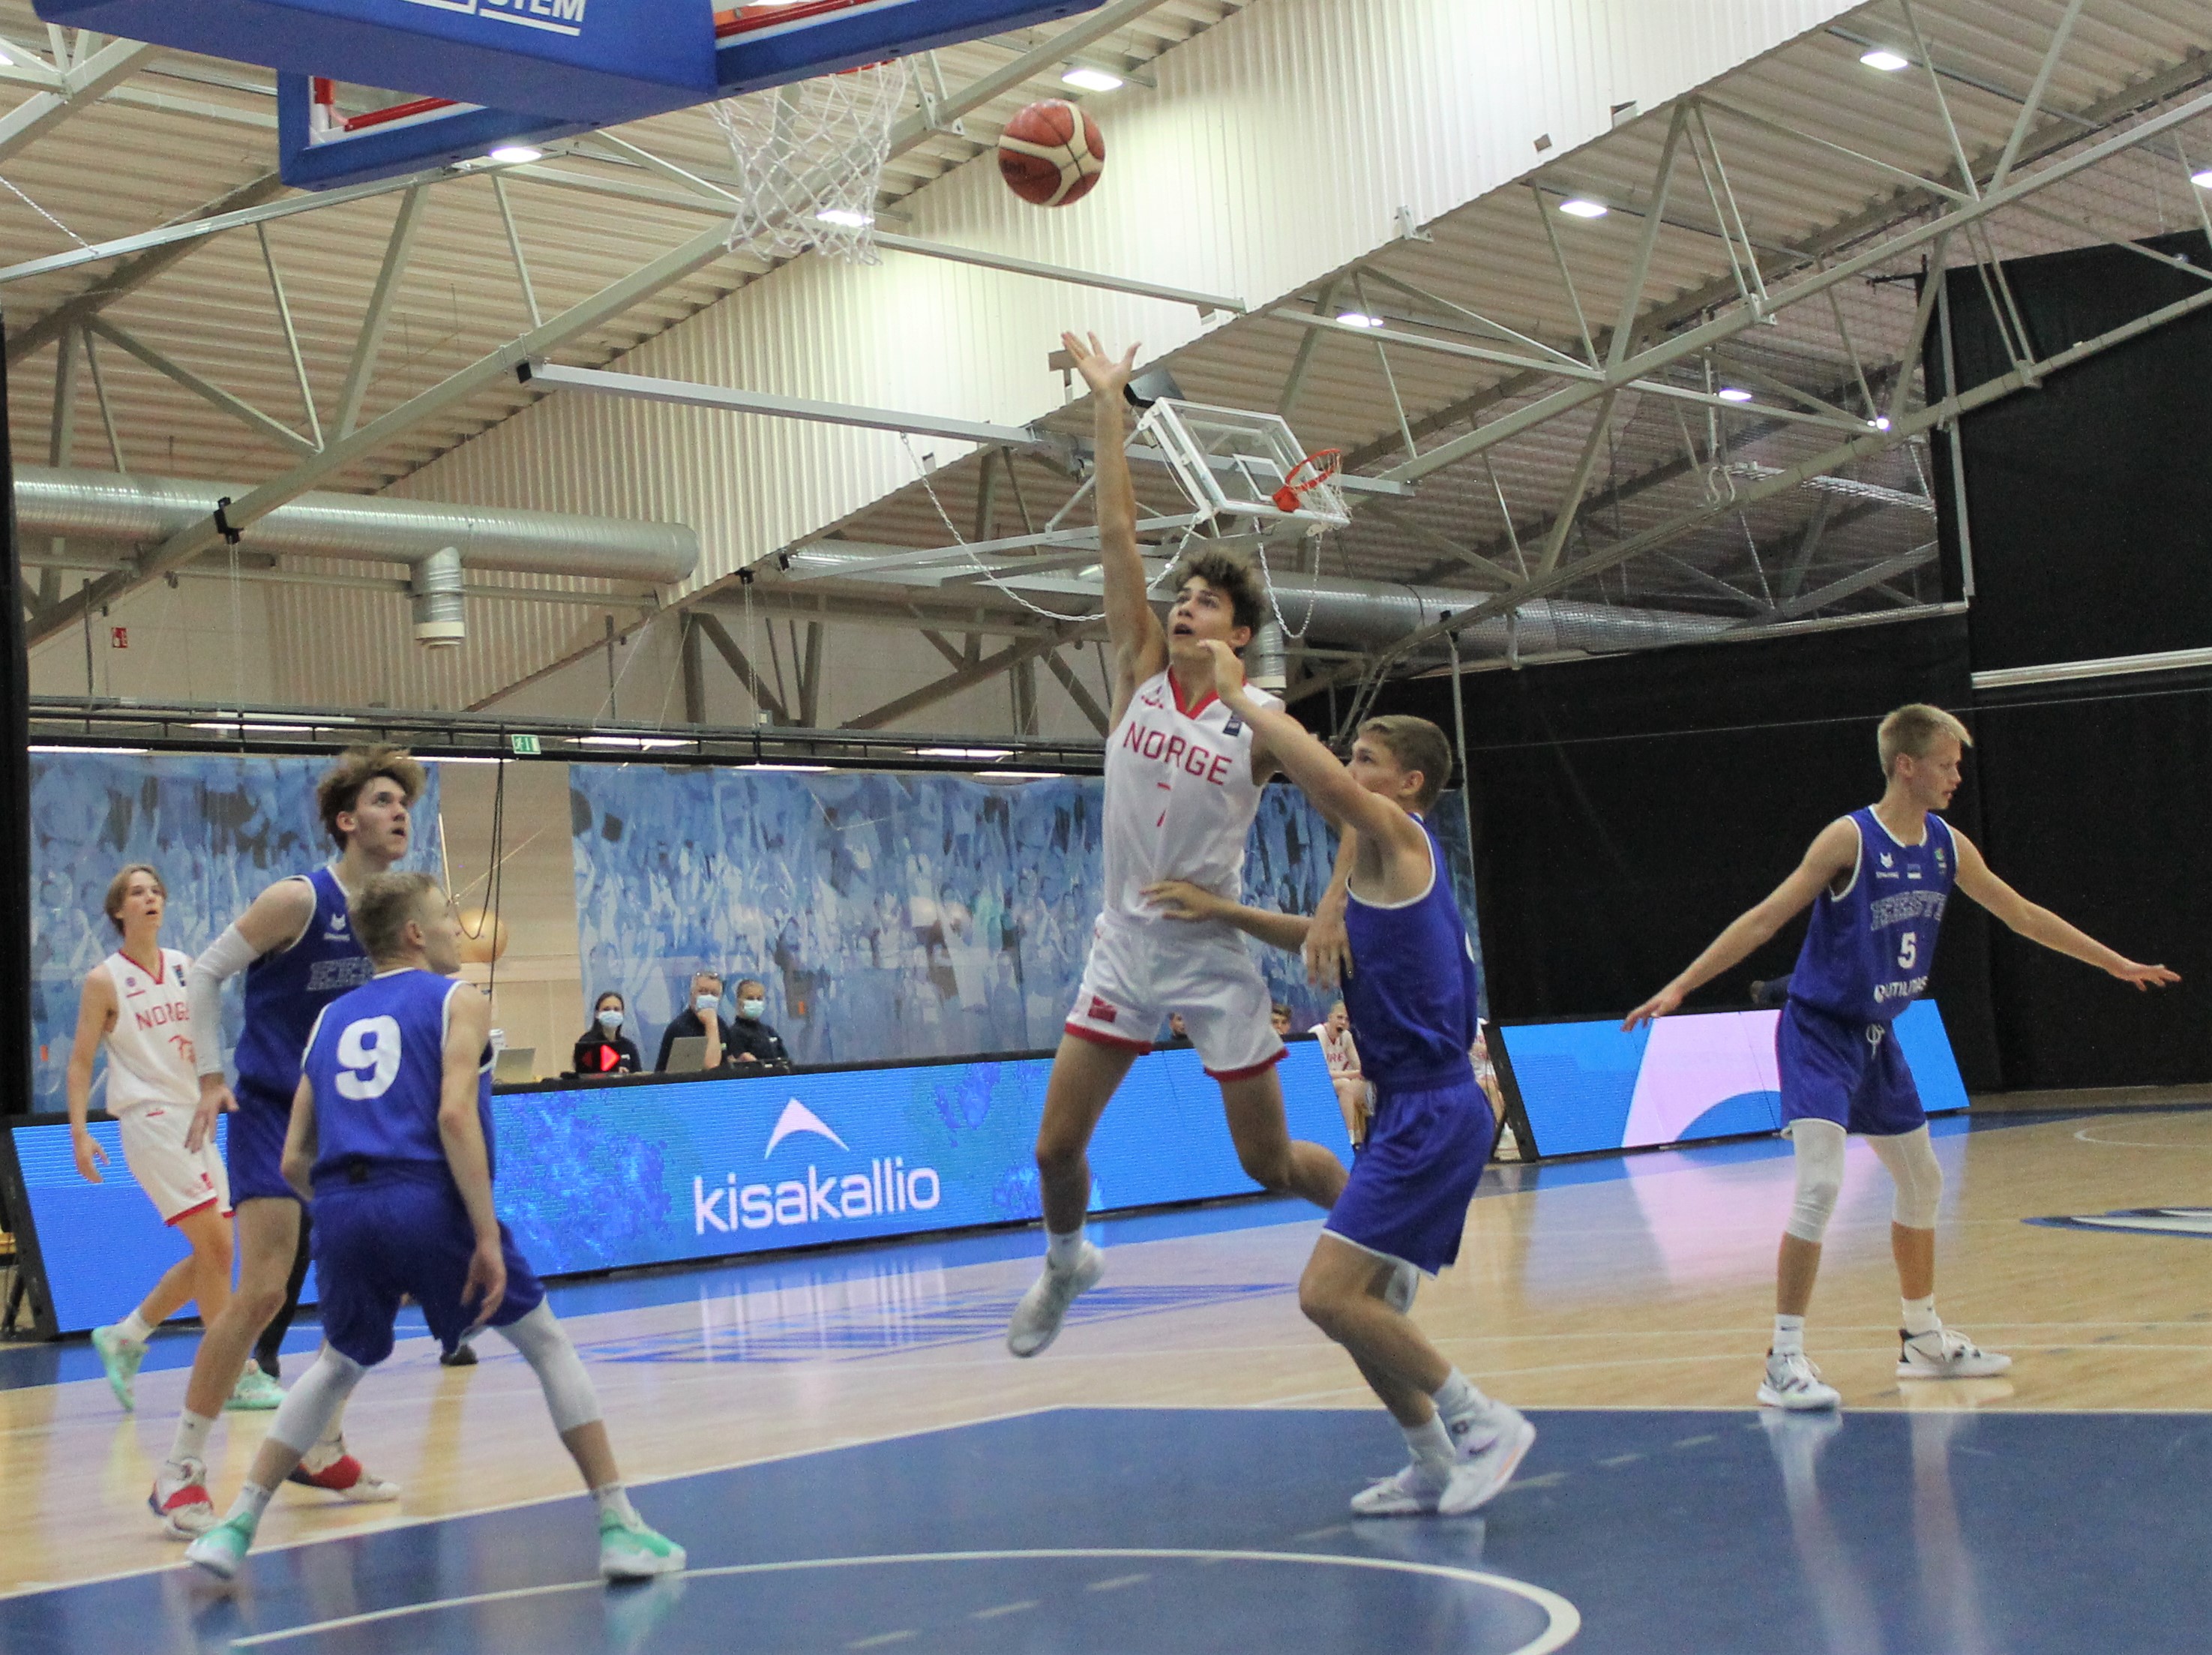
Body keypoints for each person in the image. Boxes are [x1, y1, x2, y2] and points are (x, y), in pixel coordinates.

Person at [1625, 703, 2180, 1411]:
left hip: (1879, 1039)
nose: (1956, 775)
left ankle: (1922, 1337)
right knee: (1821, 1186)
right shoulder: (1849, 838)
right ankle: (1783, 1358)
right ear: (1907, 764)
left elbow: (2023, 914)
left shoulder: (1948, 845)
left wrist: (2113, 963)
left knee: (1922, 1181)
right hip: (1819, 1032)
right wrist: (1679, 986)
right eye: (1947, 762)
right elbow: (1765, 917)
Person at [184, 872, 683, 1583]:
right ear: (414, 933)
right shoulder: (458, 999)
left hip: (342, 1207)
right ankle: (620, 1523)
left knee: (335, 1364)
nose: (459, 929)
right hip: (426, 1193)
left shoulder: (330, 1019)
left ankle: (234, 1527)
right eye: (446, 918)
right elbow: (454, 1116)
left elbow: (295, 1156)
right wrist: (482, 1234)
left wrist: (356, 1226)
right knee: (546, 1344)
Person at [1004, 332, 1347, 1360]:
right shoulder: (1139, 678)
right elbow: (1115, 533)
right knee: (1055, 1144)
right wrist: (1110, 405)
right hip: (1124, 943)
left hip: (1207, 955)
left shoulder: (1259, 719)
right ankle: (1069, 1259)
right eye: (1180, 594)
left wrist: (1330, 907)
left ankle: (1381, 1234)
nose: (1180, 603)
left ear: (1237, 633)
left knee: (1271, 1163)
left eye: (1203, 600)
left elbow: (1355, 807)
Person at [1150, 661, 1533, 1517]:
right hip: (1411, 1110)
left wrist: (1238, 698)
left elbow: (1316, 779)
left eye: (1365, 758)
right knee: (1351, 1303)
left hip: (1434, 1109)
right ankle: (1431, 1456)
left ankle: (1483, 1422)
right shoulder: (1380, 880)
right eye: (1351, 756)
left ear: (1409, 783)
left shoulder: (1402, 839)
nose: (1349, 768)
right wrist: (1219, 910)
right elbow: (1320, 938)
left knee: (1325, 1293)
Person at [151, 748, 419, 1538]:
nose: (399, 811)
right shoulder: (300, 899)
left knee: (375, 1284)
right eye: (382, 800)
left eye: (404, 801)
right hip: (273, 1108)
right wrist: (207, 1075)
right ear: (346, 820)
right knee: (265, 1289)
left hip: (351, 1117)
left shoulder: (398, 915)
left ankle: (321, 1442)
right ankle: (179, 1470)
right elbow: (203, 973)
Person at [65, 865, 266, 1415]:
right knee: (219, 1246)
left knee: (213, 1252)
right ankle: (235, 1375)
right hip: (149, 1117)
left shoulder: (184, 966)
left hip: (194, 1114)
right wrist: (80, 1131)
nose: (150, 897)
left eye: (156, 890)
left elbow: (205, 1039)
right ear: (118, 911)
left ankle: (126, 1335)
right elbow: (81, 1061)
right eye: (137, 891)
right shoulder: (103, 979)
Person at [654, 971, 737, 1072]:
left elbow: (730, 1059)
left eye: (714, 994)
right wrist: (711, 1023)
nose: (709, 997)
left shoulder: (721, 1025)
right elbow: (710, 1066)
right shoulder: (681, 1027)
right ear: (692, 993)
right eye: (703, 992)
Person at [1315, 1000, 1369, 1150]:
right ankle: (1349, 1137)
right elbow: (1321, 1074)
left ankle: (1364, 1136)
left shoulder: (1346, 1036)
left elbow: (1360, 1068)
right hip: (1317, 1083)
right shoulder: (1318, 1033)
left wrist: (1361, 1074)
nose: (1343, 1022)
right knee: (1346, 1085)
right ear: (1330, 1017)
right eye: (1339, 1017)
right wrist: (1354, 1074)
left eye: (1346, 1019)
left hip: (1340, 1081)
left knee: (1361, 1083)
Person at [571, 992, 642, 1078]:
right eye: (606, 1009)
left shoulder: (628, 1046)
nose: (612, 1013)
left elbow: (638, 1077)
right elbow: (583, 1075)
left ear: (622, 1013)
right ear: (597, 1014)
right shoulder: (587, 1043)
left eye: (616, 1009)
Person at [725, 979, 790, 1067]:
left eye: (759, 999)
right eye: (750, 998)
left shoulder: (769, 1031)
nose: (755, 1002)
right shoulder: (734, 1034)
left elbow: (785, 1059)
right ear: (739, 1002)